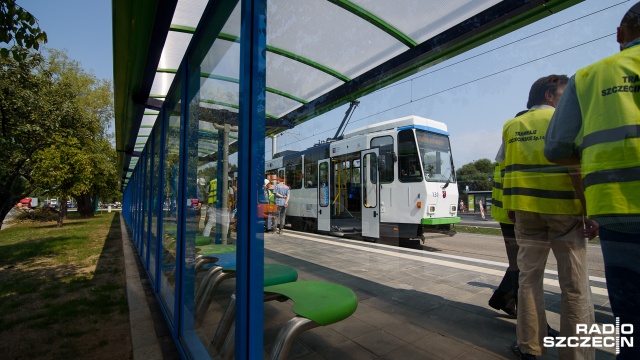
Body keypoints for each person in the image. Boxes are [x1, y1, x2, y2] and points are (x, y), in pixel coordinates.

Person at [544, 3, 640, 358]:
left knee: (632, 318)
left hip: (621, 211)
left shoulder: (589, 76)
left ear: (620, 34)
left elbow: (556, 148)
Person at [498, 75, 595, 360]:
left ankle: (529, 347)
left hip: (526, 214)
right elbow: (575, 167)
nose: (567, 100)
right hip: (565, 212)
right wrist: (587, 208)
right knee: (574, 286)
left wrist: (511, 207)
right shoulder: (564, 121)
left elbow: (506, 169)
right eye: (564, 94)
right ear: (550, 96)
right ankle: (577, 355)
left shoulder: (511, 125)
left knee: (529, 281)